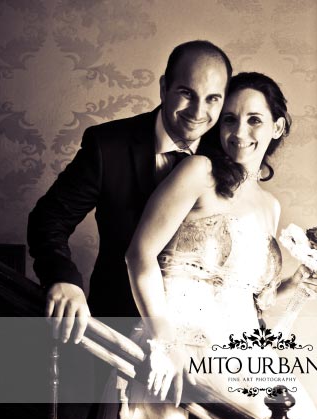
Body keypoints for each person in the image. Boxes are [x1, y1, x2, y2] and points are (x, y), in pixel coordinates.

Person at [96, 72, 317, 419]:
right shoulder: (199, 171)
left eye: (254, 120)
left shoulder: (270, 206)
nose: (239, 132)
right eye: (230, 119)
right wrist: (166, 343)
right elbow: (139, 255)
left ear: (278, 127)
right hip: (180, 344)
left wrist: (293, 284)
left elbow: (252, 299)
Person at [27, 40, 232, 344]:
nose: (198, 111)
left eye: (212, 98)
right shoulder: (108, 146)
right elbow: (48, 219)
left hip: (200, 335)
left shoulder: (228, 154)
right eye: (187, 93)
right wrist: (63, 278)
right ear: (163, 88)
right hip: (117, 328)